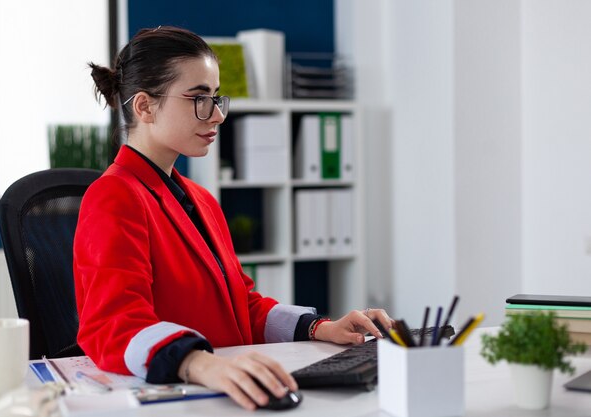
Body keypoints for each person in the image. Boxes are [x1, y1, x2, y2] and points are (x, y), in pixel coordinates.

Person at [75, 25, 394, 411]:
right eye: (198, 98)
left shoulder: (201, 200)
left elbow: (244, 304)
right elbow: (113, 325)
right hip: (184, 397)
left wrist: (321, 328)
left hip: (229, 390)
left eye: (216, 98)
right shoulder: (114, 196)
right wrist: (198, 363)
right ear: (144, 106)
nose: (217, 115)